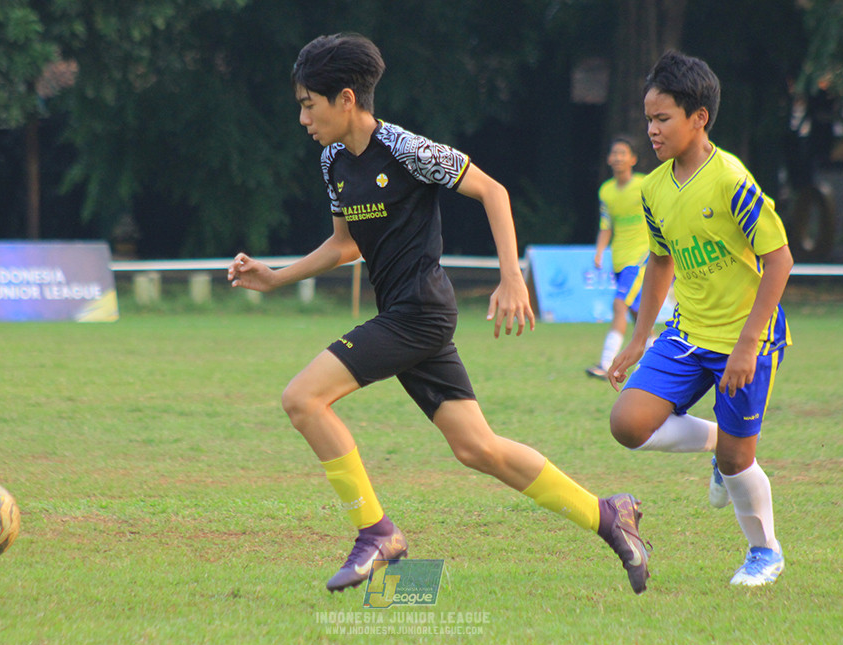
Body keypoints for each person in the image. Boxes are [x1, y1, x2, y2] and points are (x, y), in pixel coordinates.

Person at [228, 33, 651, 595]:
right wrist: (277, 277)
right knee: (478, 448)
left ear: (346, 98)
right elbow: (345, 245)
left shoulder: (407, 149)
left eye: (309, 104)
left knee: (302, 398)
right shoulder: (332, 160)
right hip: (407, 315)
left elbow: (493, 192)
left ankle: (376, 533)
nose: (303, 118)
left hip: (418, 313)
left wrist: (511, 277)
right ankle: (609, 515)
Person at [606, 50, 794, 587]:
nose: (652, 130)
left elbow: (779, 260)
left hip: (746, 339)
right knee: (628, 424)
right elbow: (661, 258)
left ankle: (764, 552)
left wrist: (746, 346)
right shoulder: (654, 188)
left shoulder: (730, 179)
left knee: (739, 463)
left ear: (699, 117)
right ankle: (717, 440)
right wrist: (640, 337)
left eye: (662, 118)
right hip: (687, 334)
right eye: (648, 119)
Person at [586, 136, 648, 379]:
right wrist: (600, 251)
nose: (618, 157)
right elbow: (606, 224)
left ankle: (606, 363)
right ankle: (655, 363)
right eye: (615, 153)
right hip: (619, 259)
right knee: (639, 314)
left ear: (633, 159)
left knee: (619, 304)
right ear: (609, 158)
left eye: (623, 153)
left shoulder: (644, 185)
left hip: (640, 257)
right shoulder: (606, 190)